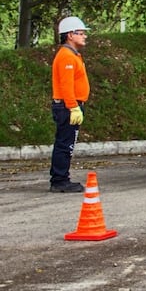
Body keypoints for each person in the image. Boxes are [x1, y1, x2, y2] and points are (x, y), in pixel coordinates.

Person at [50, 16, 91, 193]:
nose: (84, 36)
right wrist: (73, 106)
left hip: (70, 105)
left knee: (66, 143)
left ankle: (60, 177)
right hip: (68, 106)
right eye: (80, 33)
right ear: (69, 35)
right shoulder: (66, 56)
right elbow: (66, 85)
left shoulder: (73, 55)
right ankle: (59, 180)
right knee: (65, 144)